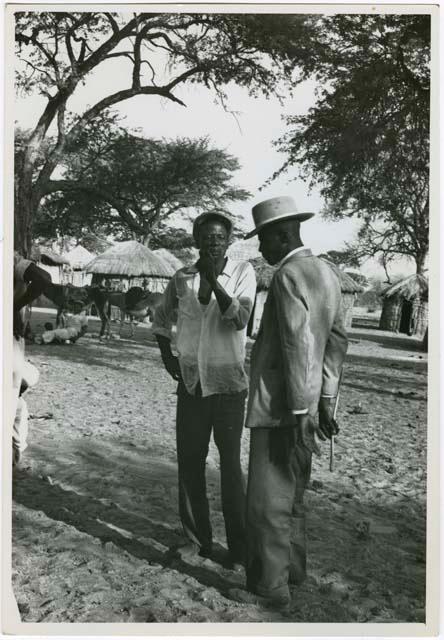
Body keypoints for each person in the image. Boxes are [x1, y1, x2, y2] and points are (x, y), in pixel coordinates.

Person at [231, 196, 348, 609]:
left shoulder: (287, 276)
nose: (261, 250)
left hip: (282, 409)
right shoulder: (327, 273)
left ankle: (271, 588)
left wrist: (298, 411)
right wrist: (325, 403)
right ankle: (294, 571)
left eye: (264, 240)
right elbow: (336, 343)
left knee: (267, 502)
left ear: (283, 234)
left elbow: (298, 344)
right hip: (310, 406)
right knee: (294, 496)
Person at [152, 211, 257, 569]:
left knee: (230, 467)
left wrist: (216, 282)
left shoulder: (244, 273)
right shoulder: (182, 277)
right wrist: (169, 359)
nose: (213, 242)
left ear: (229, 240)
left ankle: (239, 549)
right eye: (206, 236)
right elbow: (161, 319)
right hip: (192, 385)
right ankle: (197, 540)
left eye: (219, 236)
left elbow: (240, 319)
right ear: (196, 240)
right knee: (190, 462)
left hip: (228, 387)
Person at [13, 251, 51, 466]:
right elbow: (44, 278)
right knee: (16, 405)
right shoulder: (10, 256)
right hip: (9, 339)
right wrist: (14, 306)